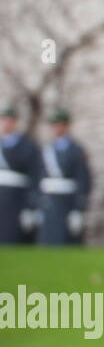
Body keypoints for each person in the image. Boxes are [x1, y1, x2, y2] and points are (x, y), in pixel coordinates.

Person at [35, 108, 92, 246]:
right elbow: (37, 177)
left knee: (67, 239)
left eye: (59, 124)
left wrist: (78, 209)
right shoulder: (46, 149)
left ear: (66, 126)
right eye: (54, 125)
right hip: (49, 200)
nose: (56, 128)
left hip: (68, 201)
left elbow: (83, 179)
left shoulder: (76, 150)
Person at [0, 105, 43, 244]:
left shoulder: (26, 145)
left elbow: (34, 175)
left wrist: (31, 206)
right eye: (3, 120)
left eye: (9, 120)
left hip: (16, 198)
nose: (6, 123)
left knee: (11, 235)